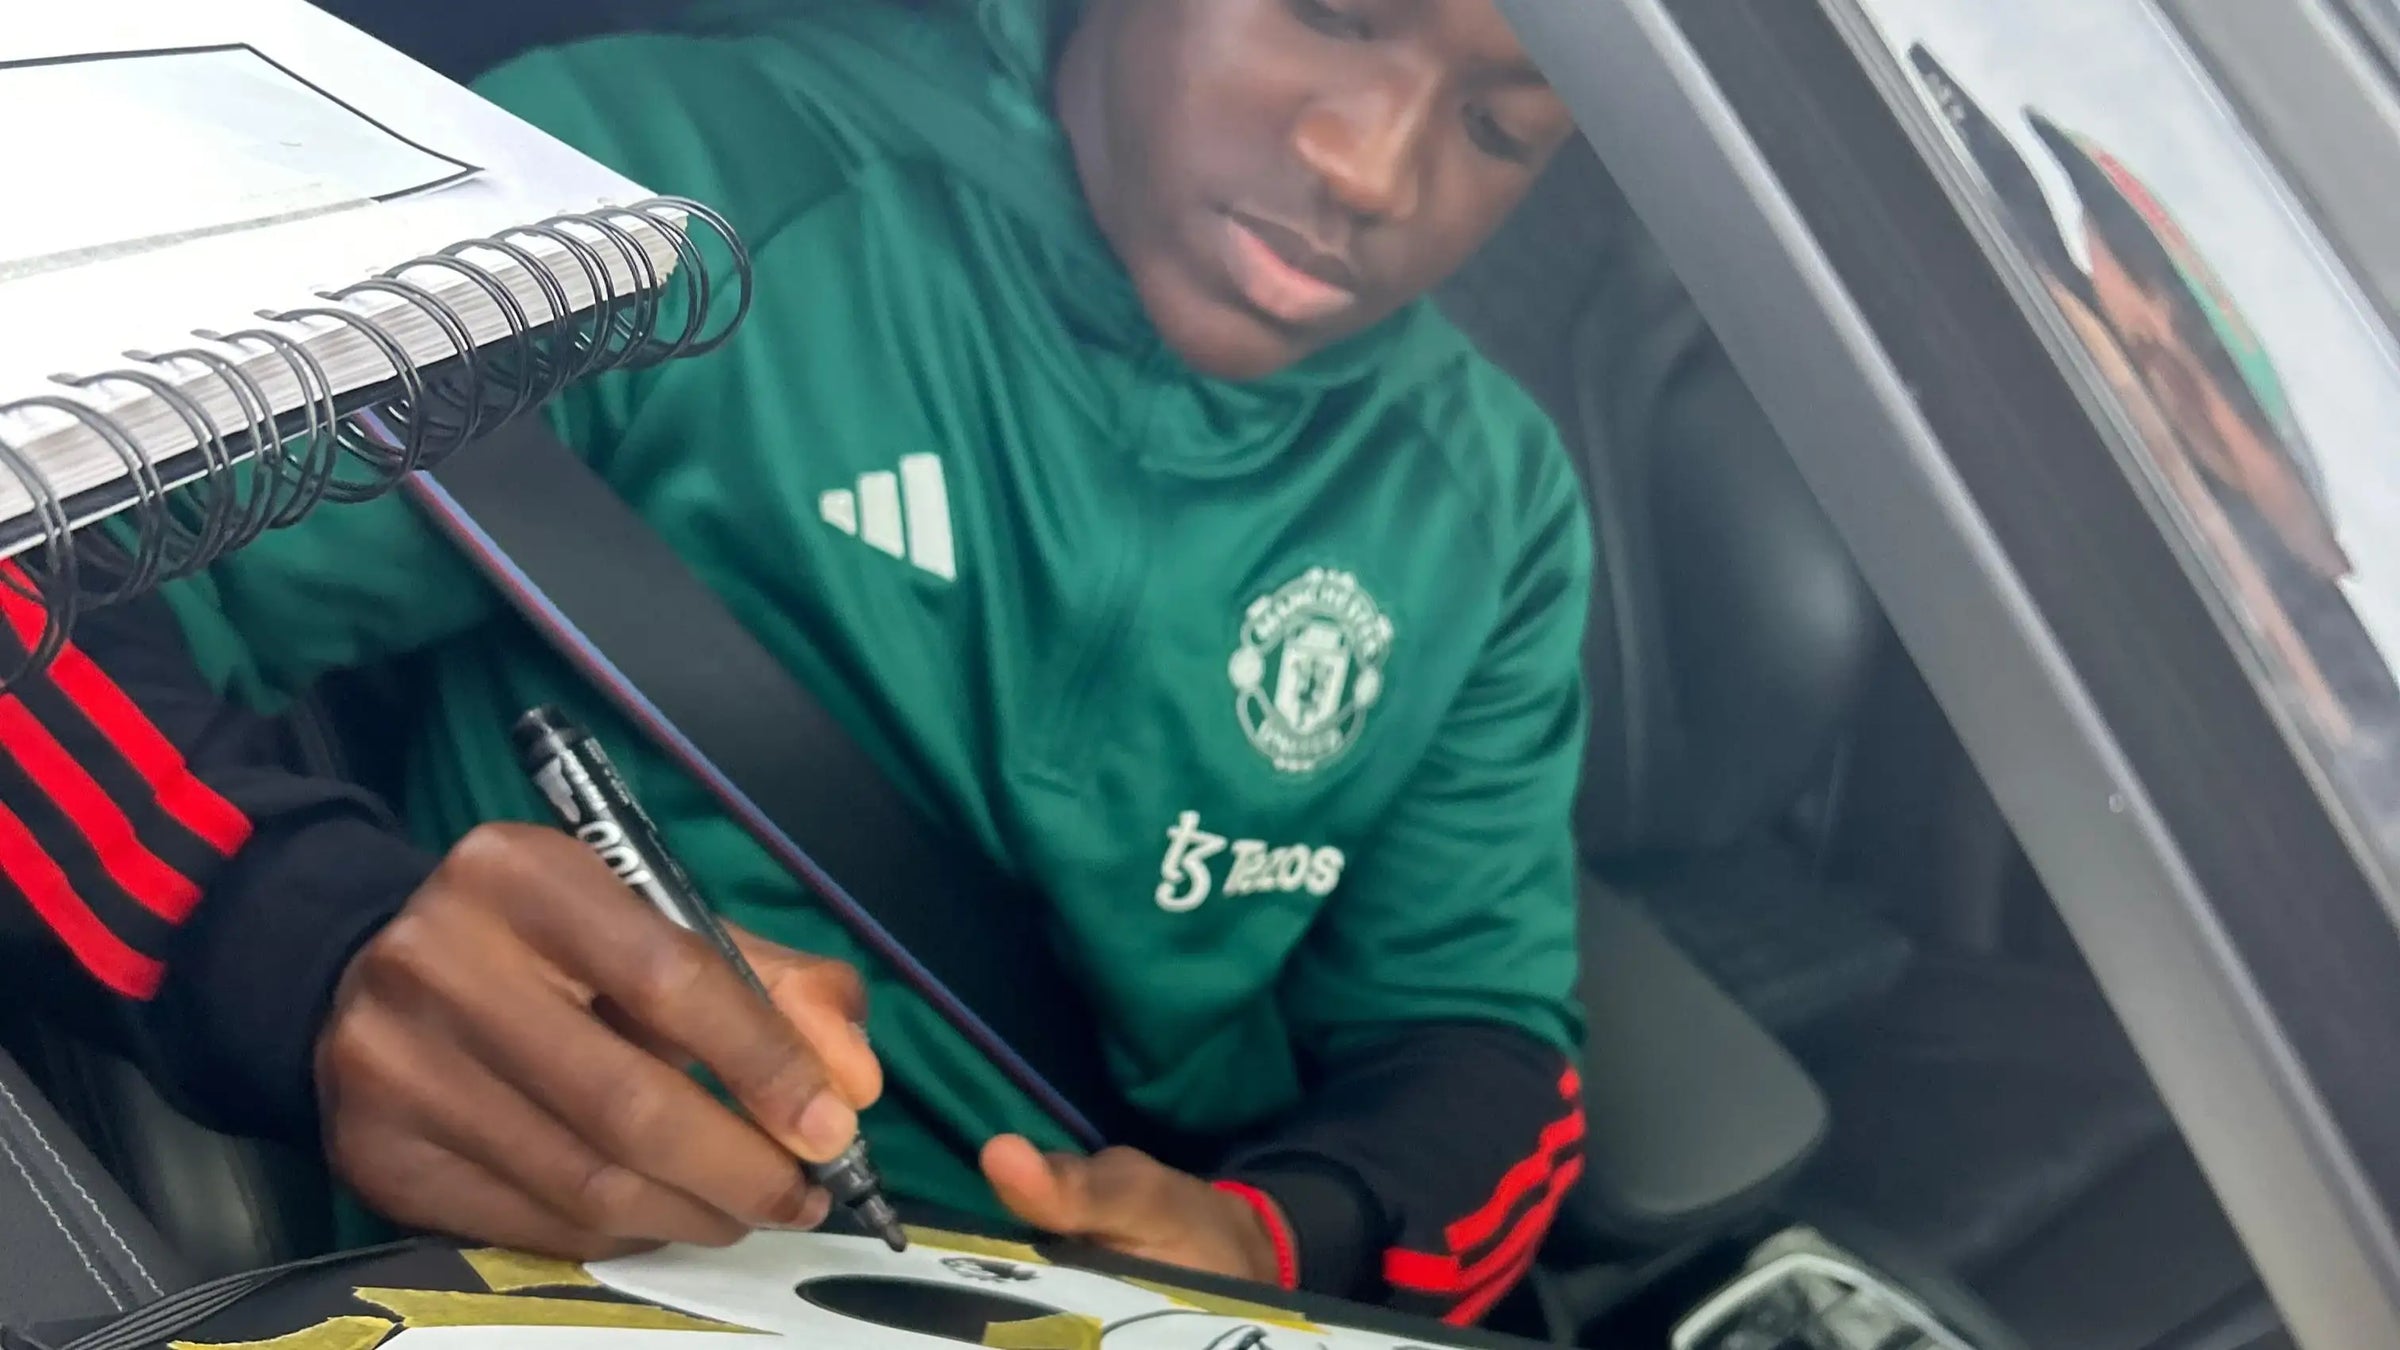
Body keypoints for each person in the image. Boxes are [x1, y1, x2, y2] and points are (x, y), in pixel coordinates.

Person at [11, 0, 1592, 1324]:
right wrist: (301, 941)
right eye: (1327, 10)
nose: (1368, 168)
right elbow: (34, 578)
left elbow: (1479, 1041)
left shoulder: (1494, 504)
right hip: (613, 1272)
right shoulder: (644, 190)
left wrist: (1272, 1236)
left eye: (1503, 128)